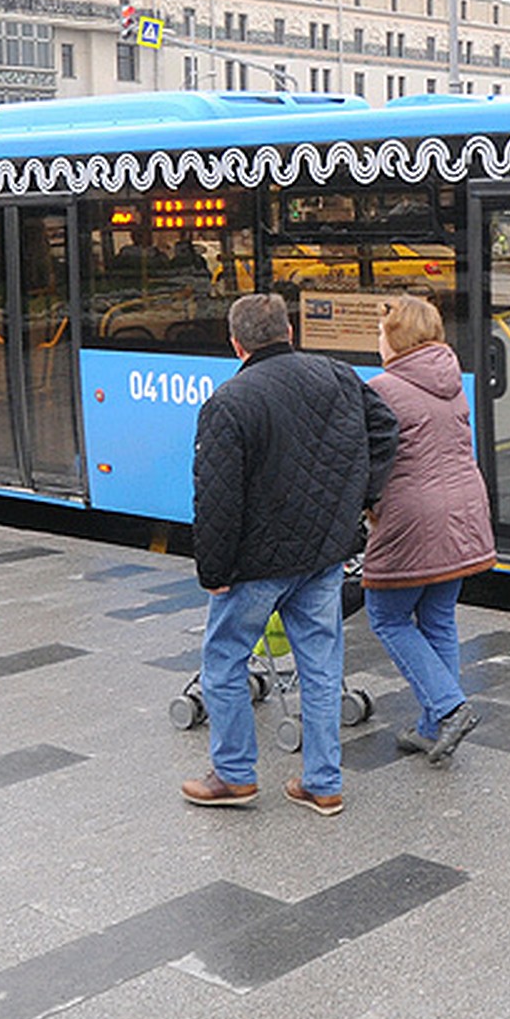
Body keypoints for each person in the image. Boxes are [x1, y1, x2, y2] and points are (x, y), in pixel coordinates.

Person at [181, 293, 399, 815]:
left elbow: (216, 497)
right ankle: (323, 783)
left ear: (236, 344)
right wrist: (362, 497)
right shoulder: (339, 375)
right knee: (322, 668)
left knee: (224, 662)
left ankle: (234, 776)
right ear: (289, 333)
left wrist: (213, 570)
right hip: (324, 554)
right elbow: (386, 429)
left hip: (258, 563)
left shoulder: (229, 402)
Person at [364, 295, 496, 765]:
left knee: (387, 615)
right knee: (438, 617)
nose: (377, 342)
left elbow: (369, 460)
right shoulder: (451, 379)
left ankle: (450, 706)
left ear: (397, 338)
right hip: (463, 509)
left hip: (413, 516)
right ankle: (428, 727)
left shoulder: (382, 387)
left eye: (381, 334)